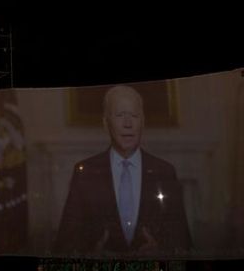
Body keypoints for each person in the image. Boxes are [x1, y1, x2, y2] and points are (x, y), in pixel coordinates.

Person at [54, 85, 191, 255]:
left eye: (134, 116)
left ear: (143, 121)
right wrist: (91, 254)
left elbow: (183, 241)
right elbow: (64, 243)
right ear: (106, 123)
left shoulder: (165, 172)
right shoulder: (85, 173)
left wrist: (161, 251)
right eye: (120, 115)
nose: (128, 124)